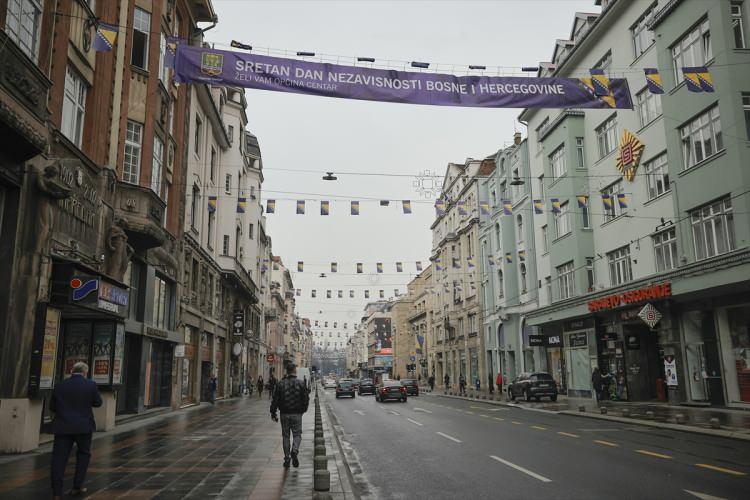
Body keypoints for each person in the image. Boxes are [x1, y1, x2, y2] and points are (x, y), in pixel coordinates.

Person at [50, 362, 102, 500]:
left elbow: (52, 406)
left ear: (71, 371)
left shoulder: (60, 385)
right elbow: (98, 403)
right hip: (83, 427)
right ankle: (77, 486)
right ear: (85, 373)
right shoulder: (91, 385)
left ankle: (56, 492)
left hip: (63, 427)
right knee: (83, 455)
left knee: (59, 459)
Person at [271, 364, 310, 468]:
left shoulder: (280, 384)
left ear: (287, 372)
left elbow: (275, 400)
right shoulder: (301, 384)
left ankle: (287, 458)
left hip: (284, 413)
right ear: (294, 371)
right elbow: (306, 399)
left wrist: (273, 413)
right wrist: (303, 410)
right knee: (297, 435)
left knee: (286, 436)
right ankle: (295, 450)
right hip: (297, 414)